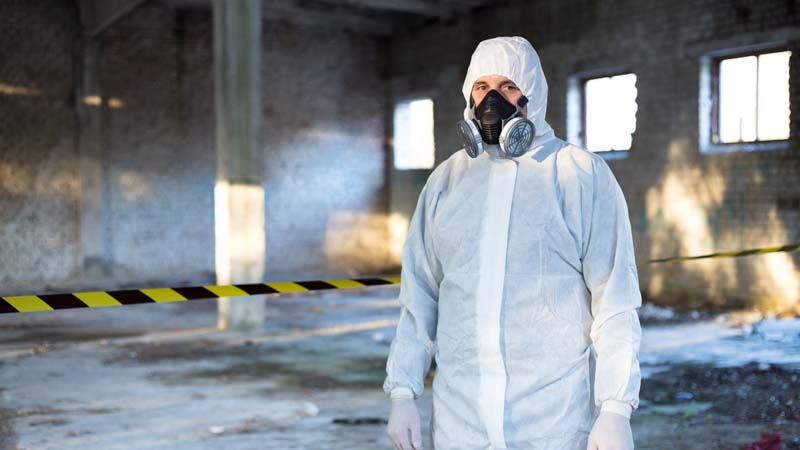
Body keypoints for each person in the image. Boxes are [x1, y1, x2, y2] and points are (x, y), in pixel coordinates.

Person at [383, 36, 642, 450]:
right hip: (459, 422)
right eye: (482, 88)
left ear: (532, 95)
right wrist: (403, 392)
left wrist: (615, 408)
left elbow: (614, 302)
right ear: (468, 96)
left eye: (507, 87)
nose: (492, 100)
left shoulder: (579, 175)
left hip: (551, 421)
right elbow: (419, 298)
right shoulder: (446, 182)